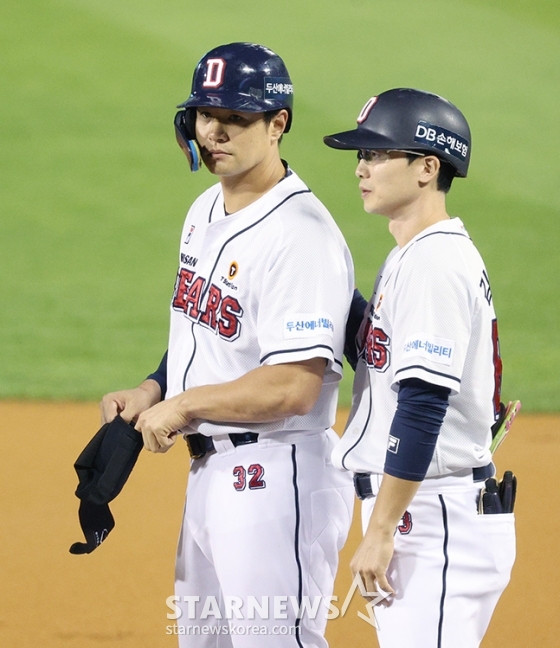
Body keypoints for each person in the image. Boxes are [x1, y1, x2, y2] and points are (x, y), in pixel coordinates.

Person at [101, 42, 355, 647]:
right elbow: (202, 332)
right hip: (213, 472)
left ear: (278, 125)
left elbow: (295, 385)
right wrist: (152, 389)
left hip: (277, 474)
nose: (214, 131)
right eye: (204, 114)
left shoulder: (302, 237)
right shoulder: (205, 206)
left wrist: (184, 408)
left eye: (236, 118)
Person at [323, 88, 516, 647]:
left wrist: (381, 528)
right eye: (362, 156)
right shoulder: (416, 251)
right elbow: (383, 361)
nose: (362, 168)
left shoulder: (434, 263)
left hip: (429, 517)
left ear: (428, 167)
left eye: (379, 155)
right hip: (425, 508)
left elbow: (423, 405)